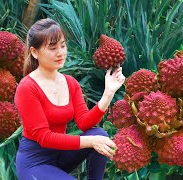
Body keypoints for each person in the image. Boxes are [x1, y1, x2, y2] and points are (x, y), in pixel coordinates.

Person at [14, 18, 126, 180]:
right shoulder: (27, 87)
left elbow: (84, 123)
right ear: (34, 52)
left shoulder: (70, 83)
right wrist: (90, 141)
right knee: (95, 139)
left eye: (63, 45)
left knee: (100, 134)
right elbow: (43, 137)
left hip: (62, 156)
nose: (60, 52)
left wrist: (108, 92)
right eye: (52, 48)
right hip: (35, 163)